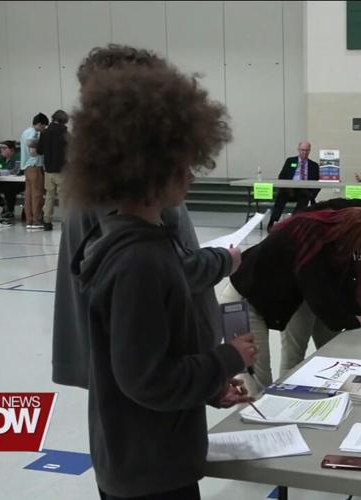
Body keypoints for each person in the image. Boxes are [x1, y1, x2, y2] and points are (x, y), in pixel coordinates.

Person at [66, 53, 256, 500]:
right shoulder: (141, 261)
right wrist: (227, 358)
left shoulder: (129, 242)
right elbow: (147, 380)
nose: (191, 175)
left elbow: (147, 358)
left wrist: (208, 386)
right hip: (151, 472)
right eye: (182, 164)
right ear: (149, 171)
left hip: (140, 457)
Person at [52, 44, 240, 396]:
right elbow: (162, 276)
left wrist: (206, 382)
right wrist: (224, 261)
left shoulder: (110, 173)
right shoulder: (132, 186)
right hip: (152, 374)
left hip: (159, 371)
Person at [222, 207, 361, 391]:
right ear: (349, 235)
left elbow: (336, 284)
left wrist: (358, 304)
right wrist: (354, 320)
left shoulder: (328, 239)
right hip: (240, 302)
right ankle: (253, 418)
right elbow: (320, 297)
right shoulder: (311, 241)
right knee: (256, 381)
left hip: (258, 298)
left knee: (260, 380)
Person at [266, 141, 320, 230]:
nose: (304, 152)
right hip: (289, 189)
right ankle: (272, 221)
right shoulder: (290, 161)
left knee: (305, 198)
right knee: (281, 196)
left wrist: (312, 195)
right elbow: (282, 176)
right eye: (302, 150)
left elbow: (317, 182)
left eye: (307, 150)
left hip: (304, 191)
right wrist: (286, 187)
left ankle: (292, 221)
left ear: (310, 151)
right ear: (298, 150)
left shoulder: (314, 165)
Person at [38, 109, 69, 231]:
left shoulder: (44, 133)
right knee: (63, 197)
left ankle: (47, 221)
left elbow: (40, 151)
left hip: (48, 170)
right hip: (62, 170)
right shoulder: (65, 134)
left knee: (49, 196)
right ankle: (65, 222)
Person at [21, 113, 48, 230]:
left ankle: (29, 220)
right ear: (40, 124)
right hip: (35, 165)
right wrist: (42, 145)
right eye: (44, 127)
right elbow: (32, 149)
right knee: (37, 194)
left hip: (26, 167)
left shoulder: (25, 132)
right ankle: (37, 220)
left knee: (28, 195)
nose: (44, 129)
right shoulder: (34, 133)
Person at [0, 140, 23, 221]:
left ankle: (9, 210)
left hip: (18, 183)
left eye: (4, 148)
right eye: (1, 148)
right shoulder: (0, 157)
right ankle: (3, 205)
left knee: (9, 189)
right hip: (3, 181)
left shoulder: (17, 157)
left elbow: (15, 170)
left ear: (12, 150)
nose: (2, 150)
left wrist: (0, 171)